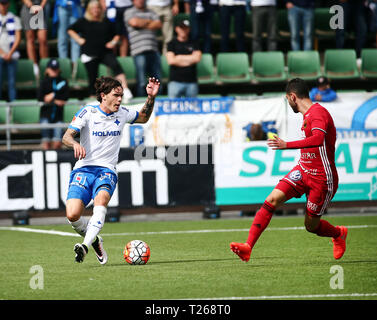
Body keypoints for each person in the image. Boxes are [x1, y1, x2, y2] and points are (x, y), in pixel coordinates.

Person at [230, 78, 348, 263]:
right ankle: (248, 247)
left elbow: (318, 139)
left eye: (287, 99)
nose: (288, 102)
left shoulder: (318, 113)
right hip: (303, 170)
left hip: (321, 179)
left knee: (311, 226)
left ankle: (338, 233)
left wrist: (287, 145)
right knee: (272, 200)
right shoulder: (308, 115)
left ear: (293, 97)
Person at [62, 76, 160, 264]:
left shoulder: (122, 113)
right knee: (72, 215)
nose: (120, 99)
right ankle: (95, 241)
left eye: (121, 95)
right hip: (83, 169)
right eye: (116, 95)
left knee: (102, 200)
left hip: (106, 170)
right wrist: (74, 144)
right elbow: (66, 136)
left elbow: (144, 117)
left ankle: (84, 245)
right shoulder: (87, 112)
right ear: (103, 95)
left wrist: (151, 97)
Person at [67, 0, 133, 101]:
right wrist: (79, 39)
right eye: (93, 9)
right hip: (90, 53)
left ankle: (125, 89)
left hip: (105, 52)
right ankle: (93, 99)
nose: (96, 10)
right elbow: (70, 29)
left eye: (97, 8)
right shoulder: (83, 21)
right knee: (92, 77)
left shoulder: (105, 21)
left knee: (116, 66)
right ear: (89, 10)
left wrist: (113, 43)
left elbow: (117, 33)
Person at [124, 0, 162, 97]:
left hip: (153, 50)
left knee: (157, 81)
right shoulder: (129, 12)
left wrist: (142, 23)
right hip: (138, 51)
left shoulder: (151, 12)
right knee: (141, 81)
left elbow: (158, 24)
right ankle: (141, 103)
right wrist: (150, 22)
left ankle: (156, 103)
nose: (140, 1)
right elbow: (134, 23)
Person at [38, 58, 69, 150]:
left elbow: (65, 97)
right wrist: (55, 100)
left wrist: (52, 97)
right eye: (52, 69)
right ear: (47, 69)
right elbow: (40, 97)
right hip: (45, 115)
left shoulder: (63, 81)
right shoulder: (43, 82)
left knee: (57, 143)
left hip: (58, 116)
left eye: (55, 69)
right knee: (46, 143)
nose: (54, 71)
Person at [166, 19, 202, 98]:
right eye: (181, 28)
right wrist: (190, 59)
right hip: (175, 82)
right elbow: (171, 61)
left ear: (189, 29)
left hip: (191, 82)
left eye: (186, 28)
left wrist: (178, 58)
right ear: (177, 29)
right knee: (173, 108)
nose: (183, 30)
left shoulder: (194, 43)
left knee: (192, 109)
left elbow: (197, 58)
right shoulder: (171, 43)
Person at [20, 0, 50, 77]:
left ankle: (45, 65)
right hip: (28, 7)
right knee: (30, 39)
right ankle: (34, 67)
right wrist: (30, 5)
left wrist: (41, 6)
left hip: (42, 7)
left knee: (42, 39)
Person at [0, 0, 21, 102]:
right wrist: (2, 53)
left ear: (8, 4)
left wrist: (10, 53)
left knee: (12, 83)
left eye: (5, 3)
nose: (3, 6)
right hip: (1, 55)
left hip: (11, 55)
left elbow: (18, 37)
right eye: (1, 3)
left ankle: (13, 108)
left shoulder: (14, 18)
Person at [52, 0, 84, 65]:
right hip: (62, 5)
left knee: (76, 38)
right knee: (62, 38)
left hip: (76, 5)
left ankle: (75, 65)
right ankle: (64, 64)